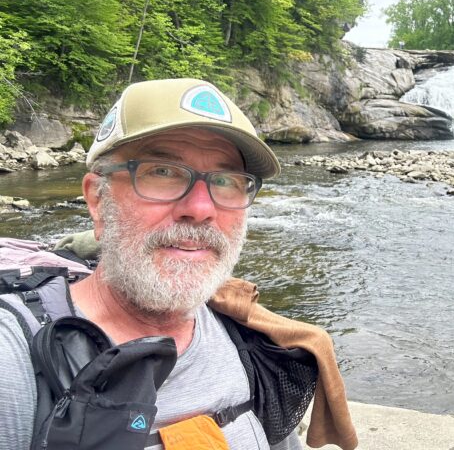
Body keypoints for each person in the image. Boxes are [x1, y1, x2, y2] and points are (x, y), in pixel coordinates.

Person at [0, 78, 356, 450]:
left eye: (225, 180)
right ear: (96, 199)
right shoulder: (14, 363)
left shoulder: (252, 347)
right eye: (163, 172)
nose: (200, 209)